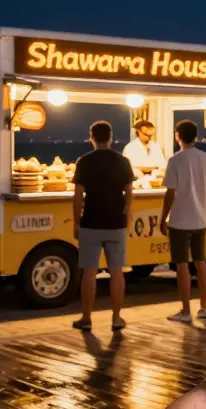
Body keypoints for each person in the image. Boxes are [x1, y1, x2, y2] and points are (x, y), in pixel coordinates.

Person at [71, 120, 135, 332]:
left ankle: (86, 318)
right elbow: (129, 192)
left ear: (92, 137)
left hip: (91, 222)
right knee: (117, 272)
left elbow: (78, 196)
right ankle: (116, 318)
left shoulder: (84, 162)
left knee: (89, 272)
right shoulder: (122, 161)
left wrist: (76, 221)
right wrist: (126, 213)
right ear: (110, 137)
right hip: (116, 223)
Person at [161, 120, 206, 324]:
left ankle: (185, 310)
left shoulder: (176, 160)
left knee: (182, 265)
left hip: (179, 221)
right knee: (201, 262)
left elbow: (170, 193)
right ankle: (203, 308)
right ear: (195, 136)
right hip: (200, 221)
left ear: (178, 136)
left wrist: (162, 217)